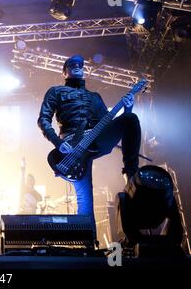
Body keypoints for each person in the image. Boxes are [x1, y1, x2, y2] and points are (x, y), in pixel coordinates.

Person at [37, 55, 141, 227]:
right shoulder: (56, 91)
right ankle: (88, 245)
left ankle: (131, 175)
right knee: (85, 199)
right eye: (71, 64)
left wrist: (127, 109)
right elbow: (43, 120)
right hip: (72, 146)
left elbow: (106, 123)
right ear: (64, 72)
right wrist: (58, 142)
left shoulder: (95, 97)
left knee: (130, 119)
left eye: (80, 64)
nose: (77, 66)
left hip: (95, 139)